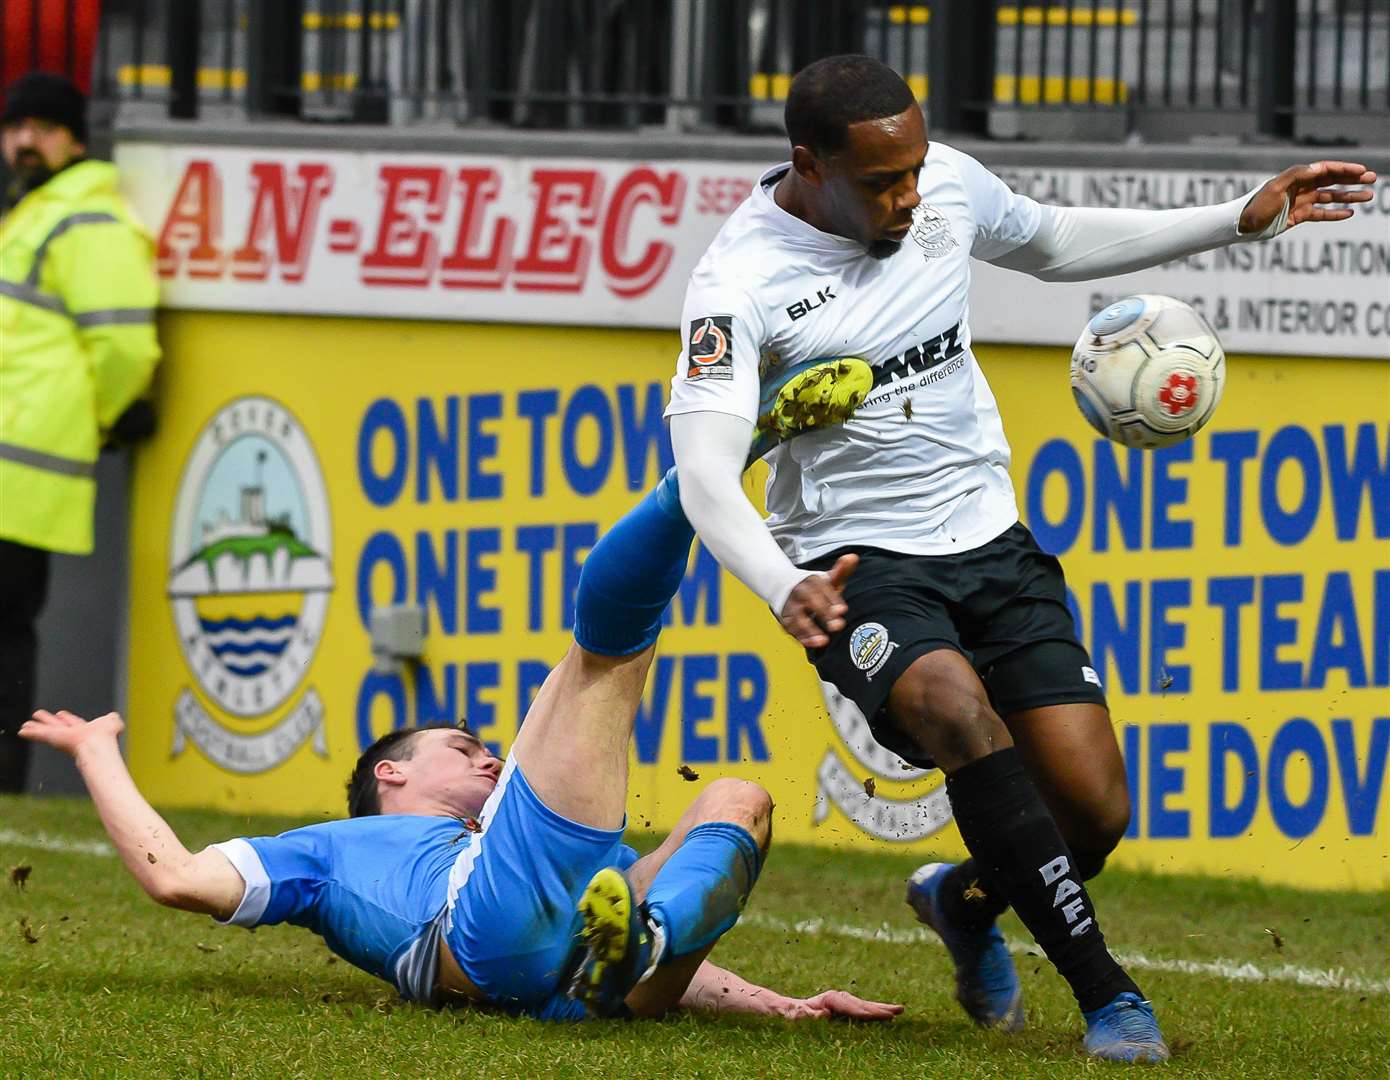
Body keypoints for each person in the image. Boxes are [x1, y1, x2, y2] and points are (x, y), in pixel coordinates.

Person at [663, 54, 1376, 1064]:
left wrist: (1239, 215)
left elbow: (1047, 241)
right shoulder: (738, 284)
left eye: (913, 171)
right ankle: (1108, 998)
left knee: (1089, 817)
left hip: (989, 540)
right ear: (806, 165)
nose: (909, 196)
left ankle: (959, 900)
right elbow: (701, 472)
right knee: (953, 708)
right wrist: (784, 585)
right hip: (856, 565)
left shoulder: (938, 184)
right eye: (880, 183)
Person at [19, 471, 902, 1024]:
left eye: (484, 750)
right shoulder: (327, 852)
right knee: (597, 661)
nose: (484, 758)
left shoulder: (502, 847)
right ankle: (694, 481)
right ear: (390, 774)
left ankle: (641, 947)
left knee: (737, 800)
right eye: (460, 745)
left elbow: (668, 941)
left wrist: (784, 1008)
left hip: (572, 983)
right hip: (475, 936)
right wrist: (96, 749)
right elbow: (174, 875)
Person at [0, 71, 161, 793]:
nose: (24, 141)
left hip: (22, 474)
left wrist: (114, 409)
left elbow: (123, 343)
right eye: (15, 127)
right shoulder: (36, 212)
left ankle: (5, 778)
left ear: (74, 137)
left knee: (6, 632)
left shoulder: (82, 217)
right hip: (16, 465)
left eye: (41, 127)